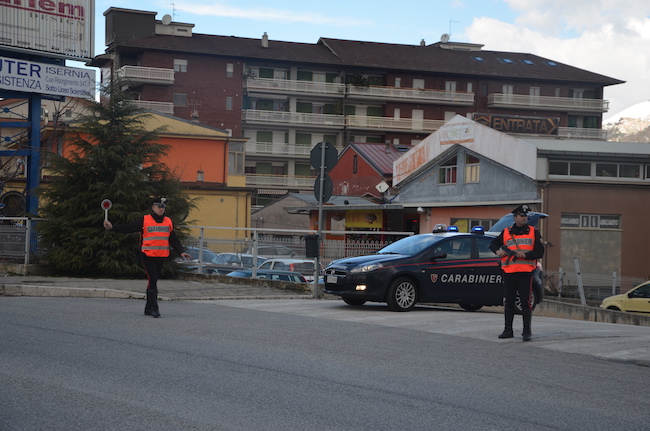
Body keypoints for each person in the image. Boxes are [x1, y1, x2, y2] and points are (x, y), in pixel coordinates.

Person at [103, 197, 191, 318]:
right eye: (159, 206)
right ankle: (154, 307)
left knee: (153, 280)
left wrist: (181, 252)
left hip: (161, 256)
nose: (161, 209)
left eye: (163, 207)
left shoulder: (168, 221)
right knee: (153, 279)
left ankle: (148, 307)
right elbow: (129, 228)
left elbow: (173, 239)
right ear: (153, 207)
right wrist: (113, 227)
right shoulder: (145, 220)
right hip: (147, 255)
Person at [489, 204, 545, 341]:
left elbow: (540, 252)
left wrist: (525, 255)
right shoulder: (506, 232)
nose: (524, 218)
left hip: (526, 273)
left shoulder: (534, 232)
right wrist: (498, 251)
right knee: (509, 303)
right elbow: (493, 244)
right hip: (509, 272)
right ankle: (508, 330)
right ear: (515, 217)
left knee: (526, 303)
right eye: (522, 215)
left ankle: (527, 331)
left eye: (526, 215)